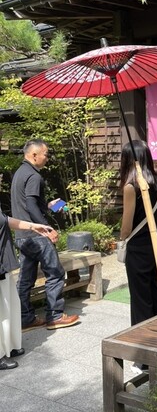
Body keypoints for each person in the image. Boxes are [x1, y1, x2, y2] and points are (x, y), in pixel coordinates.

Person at [11, 139, 80, 331]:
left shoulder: (19, 173)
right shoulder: (33, 175)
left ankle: (25, 319)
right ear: (34, 155)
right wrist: (46, 228)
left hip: (22, 234)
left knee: (25, 279)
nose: (47, 158)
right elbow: (31, 205)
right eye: (46, 154)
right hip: (36, 235)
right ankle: (55, 316)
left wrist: (48, 205)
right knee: (55, 273)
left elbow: (28, 204)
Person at [119, 141, 157, 340]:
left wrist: (121, 238)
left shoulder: (131, 187)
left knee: (141, 298)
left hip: (138, 249)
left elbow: (126, 227)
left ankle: (144, 344)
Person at [0, 207, 54, 370]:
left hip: (4, 263)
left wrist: (32, 226)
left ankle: (8, 346)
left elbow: (4, 220)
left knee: (9, 307)